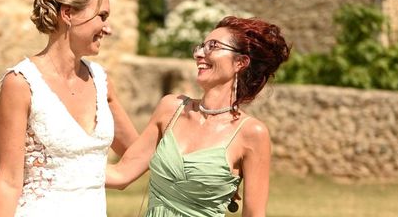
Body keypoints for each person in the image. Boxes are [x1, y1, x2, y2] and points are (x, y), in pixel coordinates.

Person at [106, 16, 291, 217]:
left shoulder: (252, 133)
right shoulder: (171, 108)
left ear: (240, 62)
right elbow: (121, 175)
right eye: (201, 46)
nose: (199, 54)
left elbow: (254, 214)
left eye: (213, 46)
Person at [0, 0, 138, 217]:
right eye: (101, 16)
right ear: (68, 13)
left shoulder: (101, 81)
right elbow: (8, 181)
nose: (108, 28)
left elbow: (138, 154)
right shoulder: (21, 83)